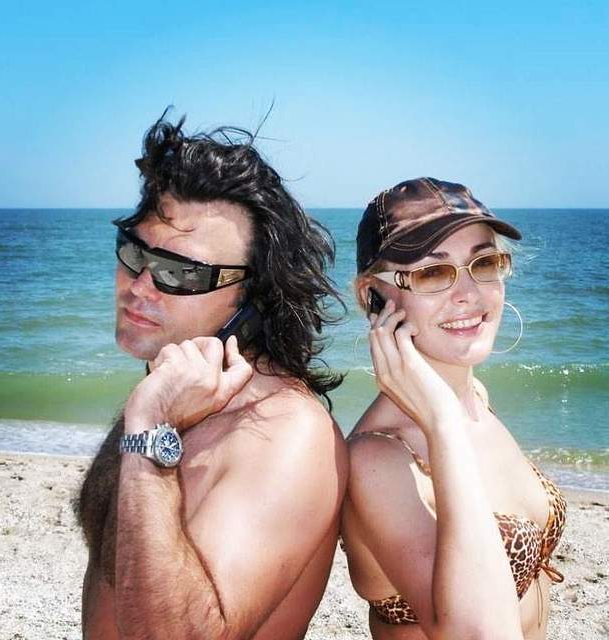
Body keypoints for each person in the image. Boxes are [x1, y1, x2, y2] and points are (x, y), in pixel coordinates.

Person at [76, 112, 348, 640]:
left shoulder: (284, 432)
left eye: (182, 273)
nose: (141, 286)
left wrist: (150, 429)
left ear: (252, 295)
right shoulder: (169, 391)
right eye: (135, 252)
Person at [341, 178, 566, 640]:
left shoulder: (475, 396)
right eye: (432, 273)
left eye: (483, 264)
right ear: (372, 295)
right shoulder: (377, 460)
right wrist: (443, 423)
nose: (468, 294)